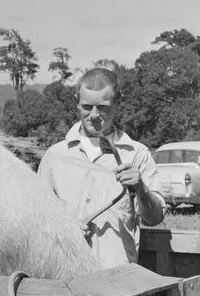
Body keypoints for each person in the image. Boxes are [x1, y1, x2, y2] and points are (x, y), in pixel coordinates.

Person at [37, 67, 166, 269]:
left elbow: (154, 218)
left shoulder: (137, 154)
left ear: (117, 104)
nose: (94, 115)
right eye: (87, 106)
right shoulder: (55, 156)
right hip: (65, 273)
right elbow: (37, 218)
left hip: (118, 278)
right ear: (77, 103)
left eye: (103, 107)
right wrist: (62, 229)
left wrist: (141, 188)